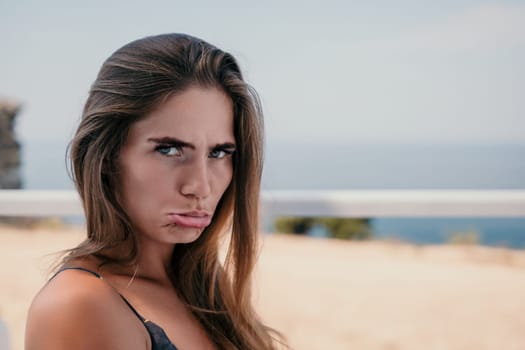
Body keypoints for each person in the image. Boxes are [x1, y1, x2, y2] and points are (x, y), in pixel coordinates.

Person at [25, 33, 283, 350]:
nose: (200, 186)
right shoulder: (80, 304)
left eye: (219, 153)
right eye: (169, 150)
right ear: (106, 156)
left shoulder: (203, 291)